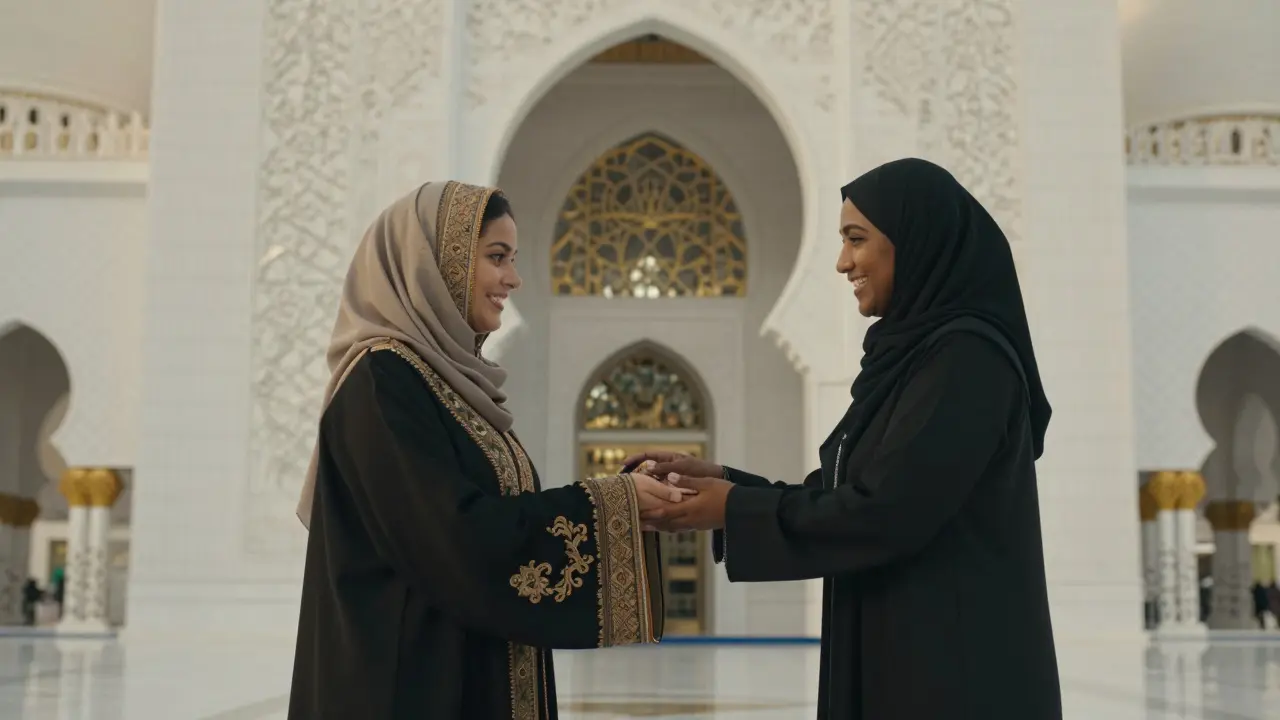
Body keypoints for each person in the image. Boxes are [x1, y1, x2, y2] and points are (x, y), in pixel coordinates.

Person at [630, 158, 1062, 719]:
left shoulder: (967, 361)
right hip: (913, 658)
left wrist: (736, 509)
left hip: (955, 677)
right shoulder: (917, 358)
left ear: (915, 240)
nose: (842, 262)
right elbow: (857, 490)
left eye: (856, 240)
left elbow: (885, 510)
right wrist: (725, 486)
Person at [289, 181, 686, 719]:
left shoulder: (447, 386)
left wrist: (624, 503)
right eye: (496, 257)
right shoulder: (381, 382)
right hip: (406, 690)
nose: (513, 279)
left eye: (513, 259)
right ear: (437, 261)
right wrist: (612, 504)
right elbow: (455, 536)